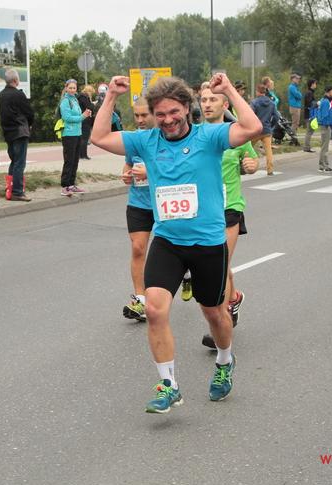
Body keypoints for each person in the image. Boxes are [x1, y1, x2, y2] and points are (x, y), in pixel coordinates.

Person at [91, 73, 262, 413]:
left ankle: (225, 361)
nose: (168, 120)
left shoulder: (209, 137)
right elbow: (99, 137)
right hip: (168, 241)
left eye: (173, 112)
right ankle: (168, 385)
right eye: (160, 114)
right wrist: (110, 95)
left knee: (214, 313)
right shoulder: (146, 141)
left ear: (186, 108)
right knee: (155, 309)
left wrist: (228, 89)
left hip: (208, 242)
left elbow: (253, 127)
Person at [198, 83, 259, 349]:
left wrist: (251, 165)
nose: (207, 104)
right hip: (203, 211)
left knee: (218, 266)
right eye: (203, 100)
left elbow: (253, 162)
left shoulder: (236, 134)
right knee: (217, 263)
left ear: (225, 105)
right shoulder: (195, 135)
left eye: (213, 99)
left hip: (229, 208)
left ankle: (219, 329)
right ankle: (234, 298)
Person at [120, 97, 156, 322]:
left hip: (163, 203)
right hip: (138, 202)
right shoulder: (134, 139)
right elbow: (129, 162)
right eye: (137, 115)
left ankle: (186, 273)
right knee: (138, 248)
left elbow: (176, 167)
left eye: (145, 115)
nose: (140, 120)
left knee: (176, 249)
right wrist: (126, 173)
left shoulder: (165, 136)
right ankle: (141, 300)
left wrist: (149, 172)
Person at [0, 68, 34, 202]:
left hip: (8, 132)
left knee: (14, 161)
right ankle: (18, 191)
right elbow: (29, 112)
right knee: (20, 162)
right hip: (20, 131)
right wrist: (29, 124)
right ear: (15, 80)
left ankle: (10, 189)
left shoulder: (2, 94)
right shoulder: (18, 95)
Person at [59, 79, 91, 196]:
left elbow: (78, 115)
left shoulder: (75, 100)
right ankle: (65, 186)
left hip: (77, 133)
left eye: (74, 88)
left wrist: (86, 114)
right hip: (68, 134)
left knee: (75, 160)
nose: (72, 90)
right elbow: (67, 117)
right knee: (69, 160)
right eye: (70, 88)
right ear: (66, 88)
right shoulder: (65, 101)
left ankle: (71, 184)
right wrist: (82, 117)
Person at [250, 83, 277, 175]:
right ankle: (270, 170)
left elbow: (251, 115)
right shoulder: (271, 103)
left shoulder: (254, 102)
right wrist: (271, 125)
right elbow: (276, 116)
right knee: (268, 151)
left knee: (248, 147)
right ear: (265, 92)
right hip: (267, 130)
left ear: (257, 92)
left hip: (256, 130)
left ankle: (245, 165)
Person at [317, 85, 332, 172]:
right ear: (329, 91)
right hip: (325, 126)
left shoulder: (323, 100)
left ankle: (323, 164)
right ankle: (323, 165)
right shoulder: (326, 102)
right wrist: (328, 124)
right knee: (325, 146)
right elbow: (324, 115)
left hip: (325, 125)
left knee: (324, 146)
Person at [77, 84, 95, 160]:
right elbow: (89, 107)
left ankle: (81, 155)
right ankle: (83, 155)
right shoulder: (84, 97)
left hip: (83, 119)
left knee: (83, 138)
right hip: (85, 119)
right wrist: (93, 104)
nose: (91, 94)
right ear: (89, 91)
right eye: (91, 93)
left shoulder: (81, 97)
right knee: (85, 138)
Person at [303, 79, 318, 152]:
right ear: (312, 84)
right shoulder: (309, 93)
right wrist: (317, 103)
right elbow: (309, 104)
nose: (316, 85)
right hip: (309, 114)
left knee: (310, 131)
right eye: (315, 83)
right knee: (309, 131)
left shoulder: (310, 92)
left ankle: (307, 146)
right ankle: (306, 147)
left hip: (310, 114)